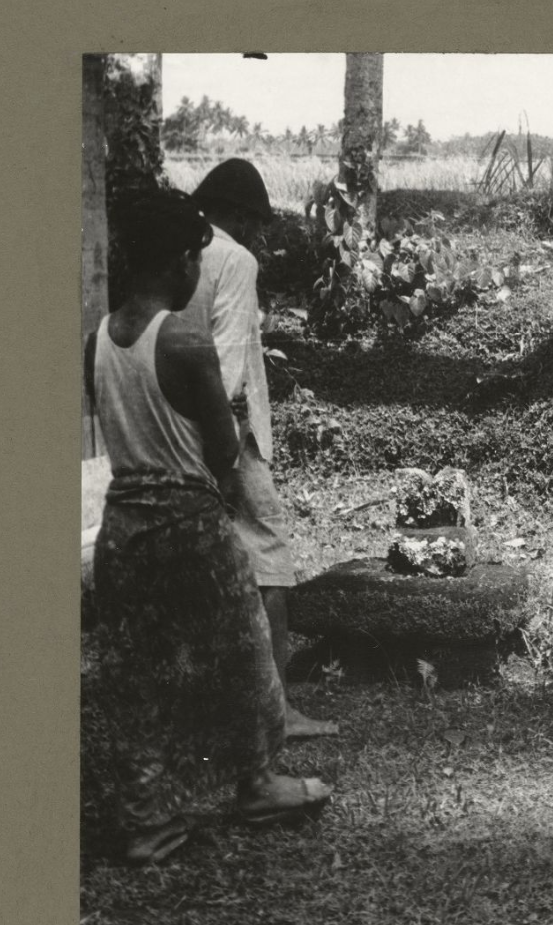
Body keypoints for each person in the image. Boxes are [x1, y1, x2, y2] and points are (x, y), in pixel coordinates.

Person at [85, 191, 333, 865]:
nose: (198, 271)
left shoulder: (96, 342)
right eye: (195, 259)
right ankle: (258, 783)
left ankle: (148, 820)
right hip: (188, 524)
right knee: (244, 654)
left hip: (122, 528)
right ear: (178, 261)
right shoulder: (184, 342)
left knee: (137, 675)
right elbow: (223, 450)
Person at [185, 158, 336, 739]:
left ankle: (216, 700)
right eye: (255, 222)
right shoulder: (235, 260)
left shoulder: (182, 254)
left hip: (178, 424)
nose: (257, 234)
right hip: (225, 430)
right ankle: (277, 709)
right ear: (241, 217)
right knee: (269, 554)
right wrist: (222, 450)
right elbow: (226, 362)